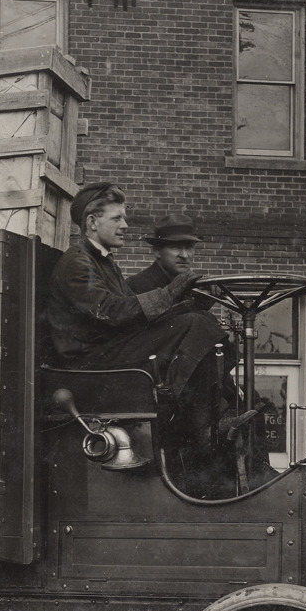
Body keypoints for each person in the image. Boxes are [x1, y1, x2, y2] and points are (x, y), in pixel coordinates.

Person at [47, 184, 252, 451]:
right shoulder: (77, 262)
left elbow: (131, 317)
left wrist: (191, 303)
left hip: (108, 355)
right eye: (116, 218)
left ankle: (209, 420)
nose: (125, 225)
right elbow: (111, 311)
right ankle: (201, 426)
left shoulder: (102, 262)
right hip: (92, 366)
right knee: (197, 323)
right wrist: (169, 293)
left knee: (199, 318)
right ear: (92, 223)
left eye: (124, 218)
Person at [126, 213, 212, 311]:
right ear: (157, 251)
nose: (184, 255)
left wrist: (205, 301)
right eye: (175, 247)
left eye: (189, 247)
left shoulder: (193, 285)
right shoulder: (135, 285)